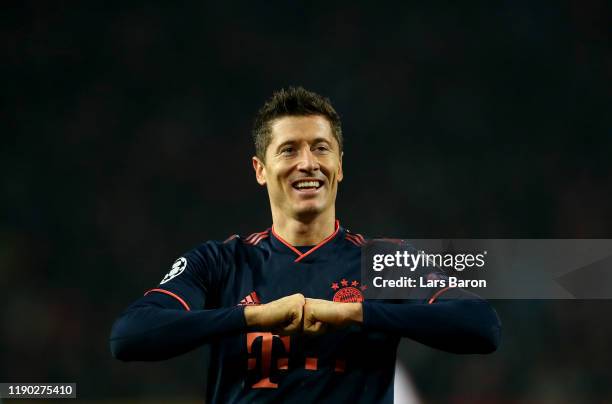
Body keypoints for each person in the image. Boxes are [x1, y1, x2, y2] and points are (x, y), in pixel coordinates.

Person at [110, 87, 501, 403]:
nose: (308, 163)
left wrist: (354, 314)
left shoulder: (381, 261)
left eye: (321, 147)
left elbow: (481, 326)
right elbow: (130, 336)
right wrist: (251, 318)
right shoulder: (221, 262)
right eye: (289, 149)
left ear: (340, 165)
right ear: (260, 170)